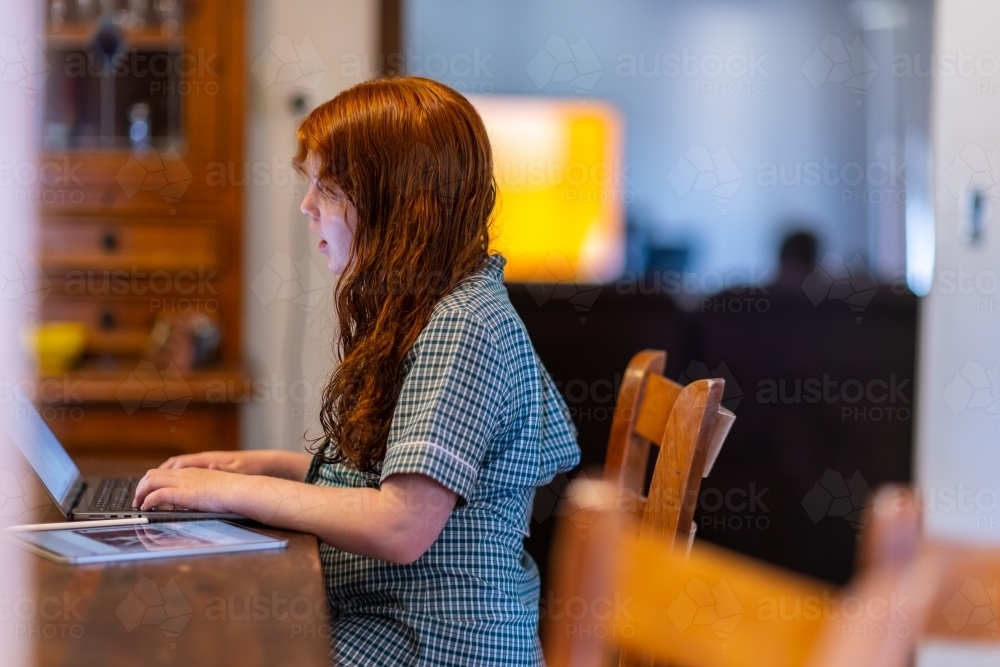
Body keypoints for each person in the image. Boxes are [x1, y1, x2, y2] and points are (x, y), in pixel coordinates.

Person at [133, 76, 581, 666]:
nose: (306, 204)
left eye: (330, 187)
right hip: (399, 622)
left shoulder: (463, 326)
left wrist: (231, 489)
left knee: (204, 646)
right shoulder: (435, 310)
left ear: (400, 201)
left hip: (438, 645)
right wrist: (266, 466)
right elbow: (393, 482)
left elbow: (400, 525)